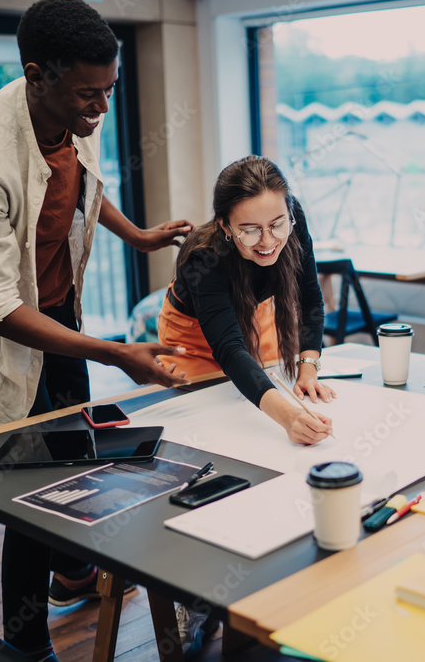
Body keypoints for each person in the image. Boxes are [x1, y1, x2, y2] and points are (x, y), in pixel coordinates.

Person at [0, 0, 192, 659]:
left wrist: (139, 237)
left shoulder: (72, 104)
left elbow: (81, 183)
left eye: (109, 91)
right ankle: (27, 639)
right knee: (33, 483)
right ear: (37, 74)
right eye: (87, 95)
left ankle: (72, 574)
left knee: (75, 442)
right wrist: (114, 353)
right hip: (3, 324)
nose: (100, 109)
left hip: (55, 304)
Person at [156, 155, 332, 654]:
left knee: (273, 455)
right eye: (249, 230)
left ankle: (267, 568)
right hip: (195, 342)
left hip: (257, 323)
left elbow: (311, 300)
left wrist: (309, 369)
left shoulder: (289, 226)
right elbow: (229, 350)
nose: (268, 241)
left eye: (277, 224)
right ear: (225, 227)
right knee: (212, 451)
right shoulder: (203, 258)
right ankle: (197, 593)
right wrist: (285, 414)